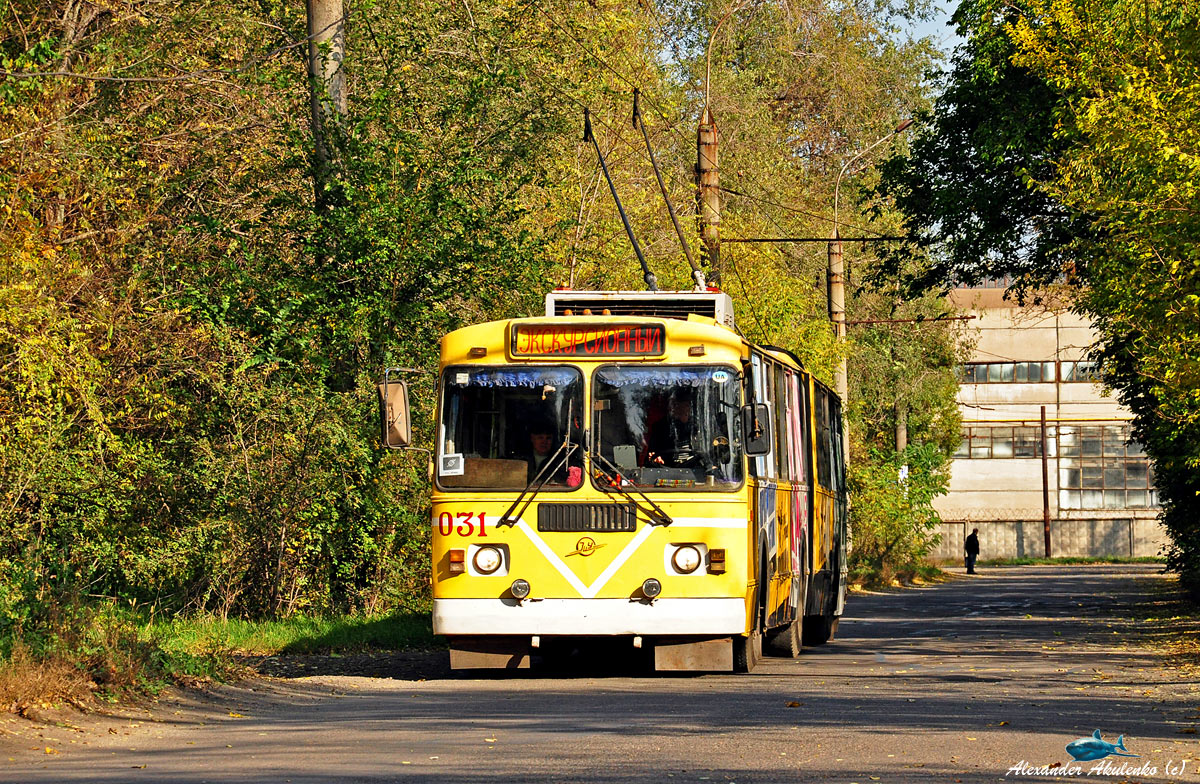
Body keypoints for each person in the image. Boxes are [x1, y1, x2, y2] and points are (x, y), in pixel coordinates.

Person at [646, 393, 703, 469]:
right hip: (665, 470)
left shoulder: (700, 427)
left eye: (677, 404)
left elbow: (708, 454)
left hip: (697, 472)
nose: (673, 407)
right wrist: (657, 459)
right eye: (673, 404)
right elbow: (652, 452)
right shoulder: (660, 427)